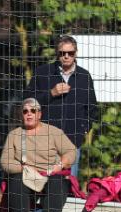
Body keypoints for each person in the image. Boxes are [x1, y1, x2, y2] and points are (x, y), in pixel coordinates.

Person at [0, 97, 76, 212]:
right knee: (14, 180)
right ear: (21, 115)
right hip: (25, 175)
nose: (29, 114)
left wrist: (59, 165)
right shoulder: (14, 135)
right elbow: (5, 162)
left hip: (49, 175)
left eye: (33, 111)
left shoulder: (54, 132)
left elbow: (71, 152)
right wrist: (24, 168)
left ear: (39, 114)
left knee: (60, 184)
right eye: (25, 111)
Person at [23, 35, 97, 178]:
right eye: (63, 53)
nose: (66, 56)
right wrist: (51, 93)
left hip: (72, 141)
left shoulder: (84, 76)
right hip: (44, 139)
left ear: (76, 53)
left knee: (69, 183)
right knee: (42, 182)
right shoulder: (42, 73)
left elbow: (92, 107)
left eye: (70, 53)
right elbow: (27, 102)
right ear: (57, 53)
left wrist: (83, 129)